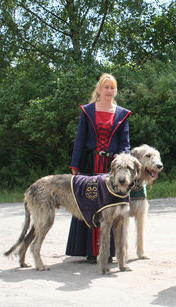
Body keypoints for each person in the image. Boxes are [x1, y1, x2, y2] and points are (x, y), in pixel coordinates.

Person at [66, 73, 132, 263]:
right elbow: (80, 140)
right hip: (89, 164)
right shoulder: (87, 111)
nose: (109, 91)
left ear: (115, 90)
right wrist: (75, 165)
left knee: (110, 206)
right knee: (88, 203)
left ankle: (108, 252)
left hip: (111, 167)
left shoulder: (122, 114)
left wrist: (122, 154)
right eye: (106, 87)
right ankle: (89, 250)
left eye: (112, 88)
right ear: (99, 89)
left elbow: (125, 143)